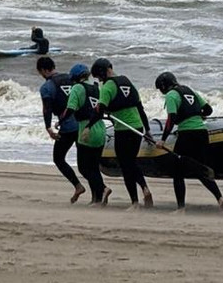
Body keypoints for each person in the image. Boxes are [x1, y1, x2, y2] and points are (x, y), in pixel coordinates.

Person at [153, 71, 223, 213]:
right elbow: (208, 109)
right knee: (200, 169)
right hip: (202, 133)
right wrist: (198, 115)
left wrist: (162, 140)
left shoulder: (171, 95)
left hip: (187, 135)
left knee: (177, 172)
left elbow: (171, 119)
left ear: (163, 86)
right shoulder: (189, 91)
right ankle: (220, 198)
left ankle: (181, 208)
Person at [90, 57, 154, 209]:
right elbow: (140, 108)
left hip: (123, 130)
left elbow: (99, 111)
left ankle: (135, 202)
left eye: (99, 77)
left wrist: (89, 126)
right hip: (137, 127)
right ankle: (145, 188)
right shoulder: (127, 82)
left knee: (126, 166)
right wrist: (148, 131)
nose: (99, 80)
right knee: (131, 161)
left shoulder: (107, 87)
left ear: (102, 73)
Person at [58, 64, 111, 206]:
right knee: (94, 167)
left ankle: (103, 188)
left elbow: (70, 109)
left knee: (84, 167)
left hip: (86, 130)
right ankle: (96, 199)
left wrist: (60, 122)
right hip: (100, 129)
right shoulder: (96, 87)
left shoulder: (77, 88)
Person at [36, 56, 85, 203]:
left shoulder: (47, 87)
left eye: (40, 72)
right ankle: (100, 190)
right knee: (85, 163)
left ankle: (78, 186)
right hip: (83, 124)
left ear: (44, 70)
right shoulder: (71, 78)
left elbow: (47, 110)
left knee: (58, 158)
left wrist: (48, 128)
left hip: (68, 127)